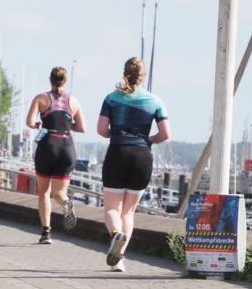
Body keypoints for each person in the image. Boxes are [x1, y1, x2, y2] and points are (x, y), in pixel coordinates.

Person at [96, 57, 170, 273]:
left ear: (124, 73)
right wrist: (149, 140)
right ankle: (119, 259)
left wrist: (116, 135)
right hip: (142, 156)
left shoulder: (111, 98)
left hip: (117, 151)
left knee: (111, 208)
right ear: (143, 76)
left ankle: (115, 236)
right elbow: (165, 134)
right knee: (128, 212)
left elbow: (101, 130)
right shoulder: (155, 101)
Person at [26, 66, 87, 244]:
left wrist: (38, 124)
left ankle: (46, 233)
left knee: (44, 192)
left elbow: (30, 122)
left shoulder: (41, 98)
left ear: (50, 80)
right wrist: (68, 126)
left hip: (48, 145)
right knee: (59, 193)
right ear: (65, 81)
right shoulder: (73, 101)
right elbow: (82, 128)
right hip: (67, 146)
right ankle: (66, 202)